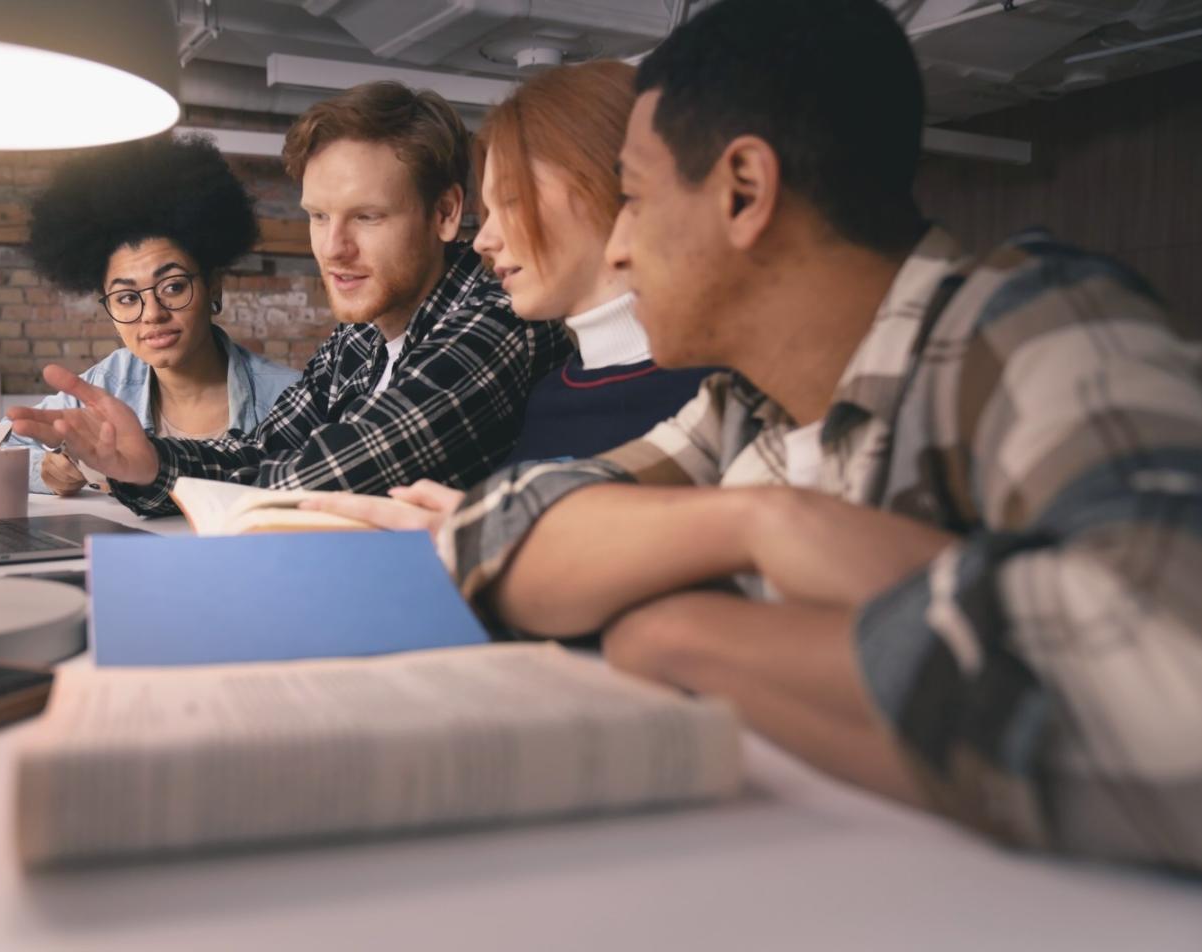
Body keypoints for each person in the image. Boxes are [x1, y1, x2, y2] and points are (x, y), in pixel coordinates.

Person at [441, 0, 1202, 871]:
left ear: (744, 192)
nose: (618, 252)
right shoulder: (748, 405)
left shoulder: (1036, 329)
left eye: (637, 200)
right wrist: (768, 522)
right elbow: (496, 532)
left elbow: (1174, 692)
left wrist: (685, 635)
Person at [7, 82, 570, 513]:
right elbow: (263, 450)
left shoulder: (498, 317)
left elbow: (327, 478)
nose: (333, 249)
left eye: (367, 217)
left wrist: (157, 472)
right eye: (318, 217)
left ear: (445, 213)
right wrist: (149, 464)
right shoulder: (357, 338)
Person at [300, 61, 713, 531]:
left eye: (512, 201)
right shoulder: (553, 395)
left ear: (609, 188)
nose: (484, 240)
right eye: (489, 209)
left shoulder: (713, 393)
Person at [2, 135, 299, 495]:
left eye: (173, 287)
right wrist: (50, 468)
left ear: (213, 287)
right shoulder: (107, 384)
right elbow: (5, 451)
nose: (152, 314)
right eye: (127, 297)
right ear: (109, 308)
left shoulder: (288, 397)